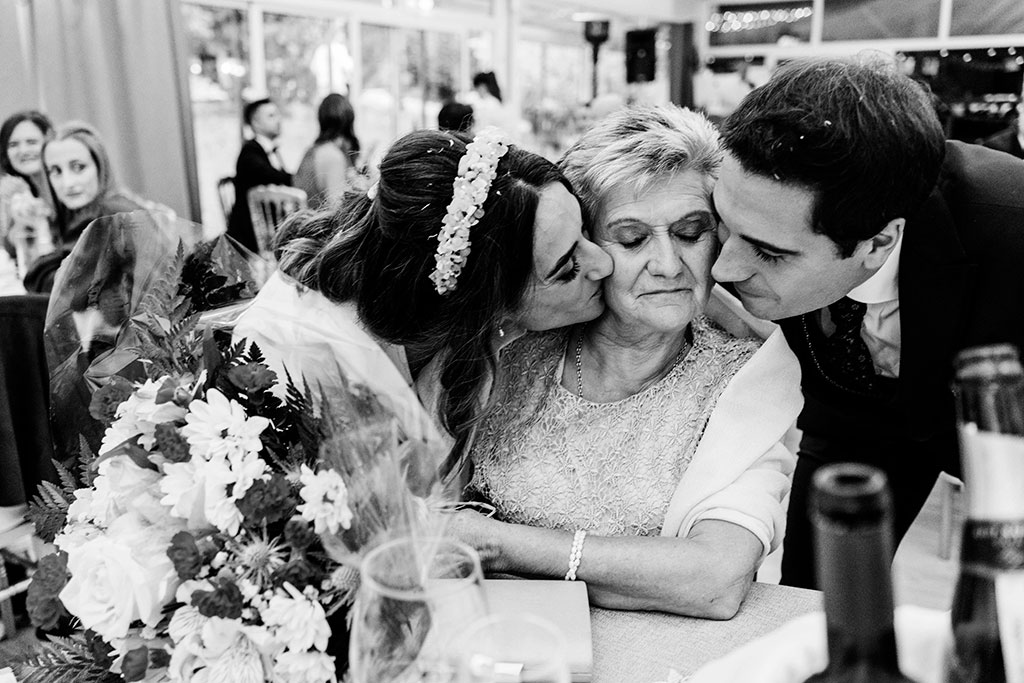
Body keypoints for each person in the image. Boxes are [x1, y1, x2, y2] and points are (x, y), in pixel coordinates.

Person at [446, 105, 802, 618]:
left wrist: (498, 546)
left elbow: (716, 579)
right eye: (633, 239)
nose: (667, 265)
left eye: (690, 232)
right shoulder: (518, 343)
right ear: (585, 245)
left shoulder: (747, 378)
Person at [710, 56, 1024, 590]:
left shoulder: (1010, 230)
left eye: (768, 252)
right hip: (849, 414)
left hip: (1005, 431)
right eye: (723, 224)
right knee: (817, 594)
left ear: (878, 242)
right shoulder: (757, 194)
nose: (725, 269)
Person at [232, 128, 614, 472]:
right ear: (483, 302)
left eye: (584, 229)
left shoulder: (450, 319)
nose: (604, 262)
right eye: (567, 268)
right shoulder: (310, 358)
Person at [26, 122, 148, 293]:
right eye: (56, 171)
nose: (67, 183)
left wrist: (42, 235)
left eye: (78, 168)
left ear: (100, 166)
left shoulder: (105, 214)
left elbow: (55, 288)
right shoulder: (111, 205)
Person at [227, 98, 292, 252]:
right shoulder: (250, 154)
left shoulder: (270, 151)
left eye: (277, 114)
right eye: (271, 116)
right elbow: (277, 177)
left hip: (269, 228)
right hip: (250, 236)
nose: (278, 120)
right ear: (255, 123)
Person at [0, 111, 55, 266]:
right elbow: (12, 251)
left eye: (31, 142)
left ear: (49, 141)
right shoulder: (21, 191)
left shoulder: (66, 192)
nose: (23, 151)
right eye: (13, 145)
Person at [293, 93, 361, 210]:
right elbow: (336, 207)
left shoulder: (311, 151)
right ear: (349, 120)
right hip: (319, 225)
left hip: (303, 222)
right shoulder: (333, 156)